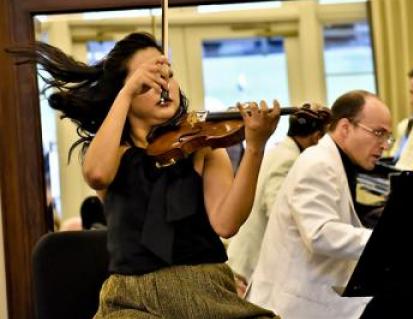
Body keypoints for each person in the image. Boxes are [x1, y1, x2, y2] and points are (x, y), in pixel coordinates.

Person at [18, 32, 281, 318]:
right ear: (125, 90)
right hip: (132, 300)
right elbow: (96, 175)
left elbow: (226, 223)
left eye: (168, 74)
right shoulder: (112, 155)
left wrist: (255, 148)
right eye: (149, 79)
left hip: (208, 292)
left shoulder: (204, 147)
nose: (163, 85)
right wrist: (128, 92)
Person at [247, 90, 393, 319]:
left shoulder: (333, 160)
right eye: (378, 133)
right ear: (345, 127)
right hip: (292, 307)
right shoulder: (318, 162)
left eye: (387, 136)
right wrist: (390, 242)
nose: (385, 145)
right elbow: (320, 233)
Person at [227, 103, 332, 289]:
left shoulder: (280, 151)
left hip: (251, 263)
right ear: (317, 138)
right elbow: (278, 212)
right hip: (251, 268)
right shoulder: (288, 160)